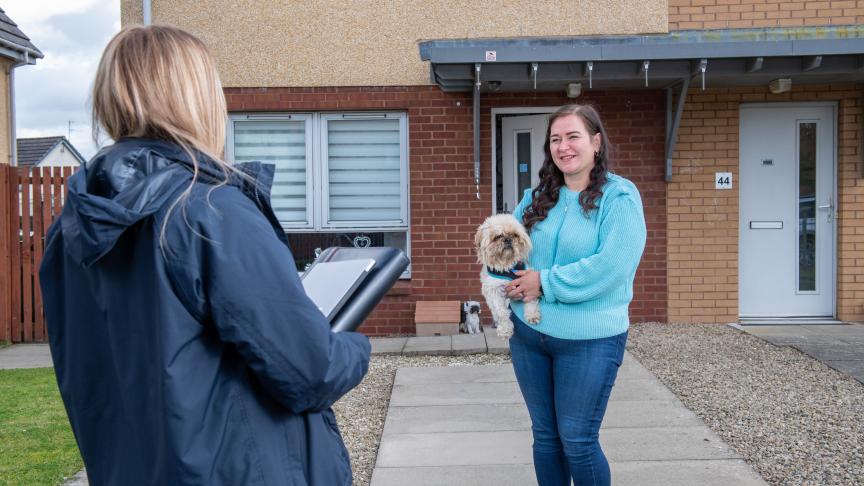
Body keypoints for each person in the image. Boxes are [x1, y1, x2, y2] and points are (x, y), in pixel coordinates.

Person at [39, 25, 370, 485]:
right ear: (196, 97)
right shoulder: (210, 211)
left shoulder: (69, 227)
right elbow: (311, 370)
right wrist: (354, 347)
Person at [504, 104, 647, 486]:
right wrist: (498, 274)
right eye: (555, 139)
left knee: (578, 442)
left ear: (596, 142)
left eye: (573, 137)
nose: (563, 147)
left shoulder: (619, 197)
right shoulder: (536, 198)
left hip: (589, 340)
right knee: (546, 438)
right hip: (529, 336)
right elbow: (507, 245)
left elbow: (612, 266)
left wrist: (544, 282)